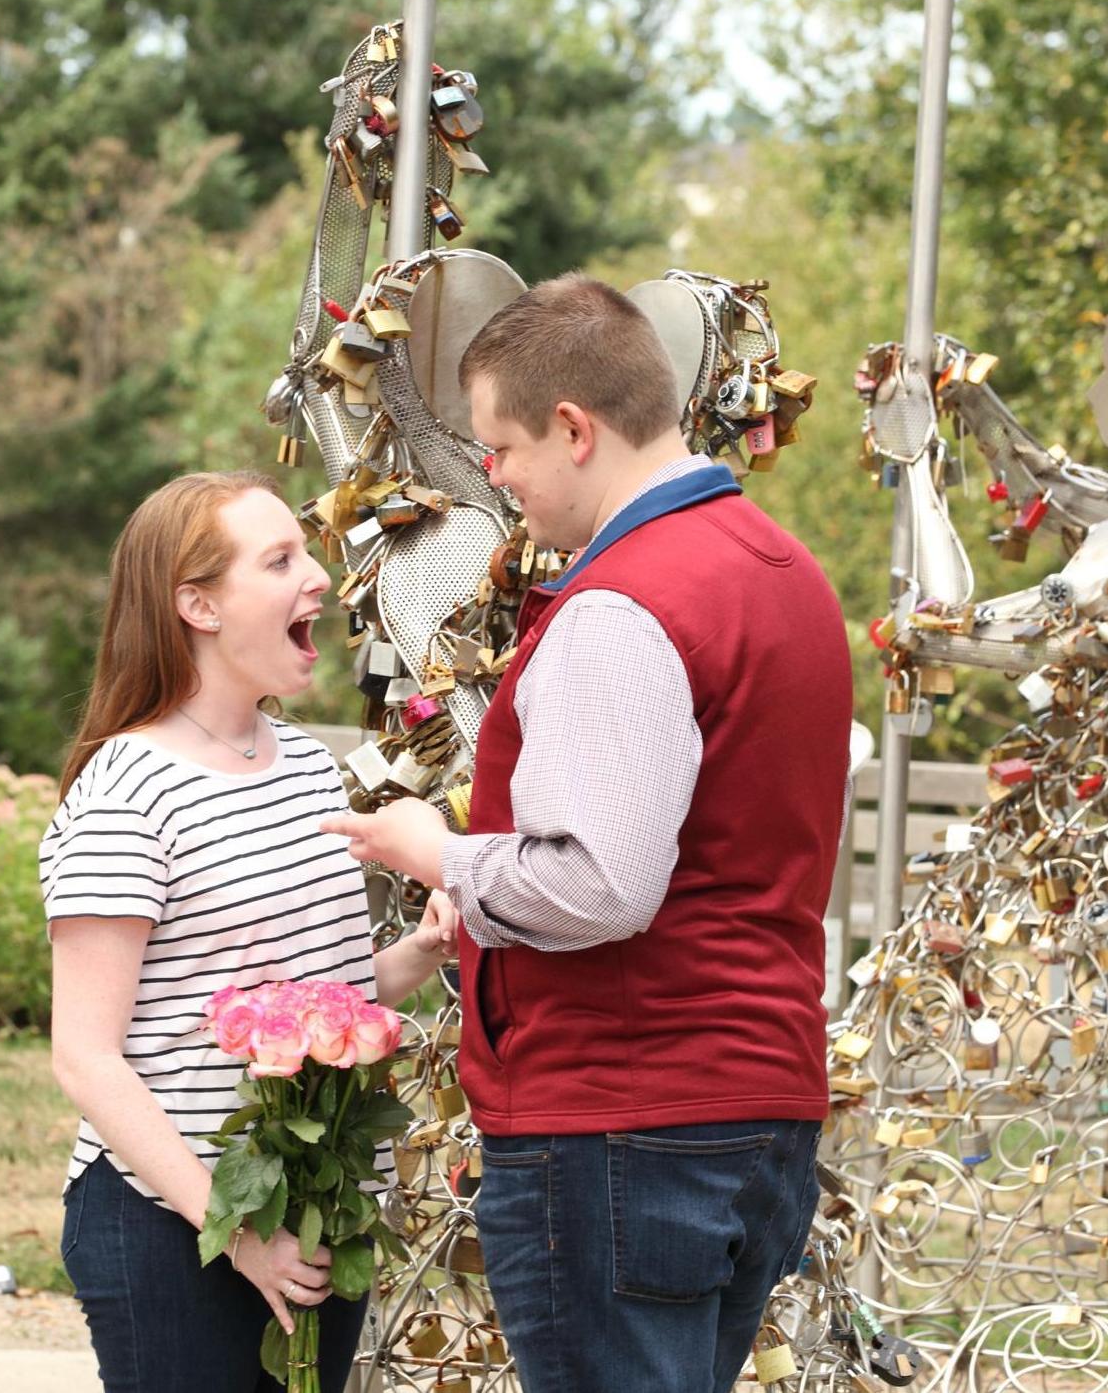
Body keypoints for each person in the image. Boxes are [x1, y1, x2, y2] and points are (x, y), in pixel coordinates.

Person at [322, 275, 855, 1393]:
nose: (497, 476)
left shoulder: (624, 601)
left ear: (573, 428)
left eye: (502, 446)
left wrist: (434, 850)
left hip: (623, 1112)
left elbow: (601, 884)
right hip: (754, 1101)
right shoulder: (784, 571)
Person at [41, 471, 458, 1393]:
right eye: (279, 561)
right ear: (197, 605)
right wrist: (235, 1231)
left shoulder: (306, 766)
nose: (318, 578)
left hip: (315, 1214)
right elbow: (85, 1057)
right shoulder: (127, 791)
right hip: (173, 1227)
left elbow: (322, 1008)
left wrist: (423, 951)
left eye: (306, 551)